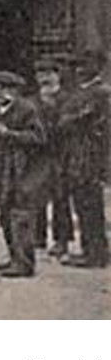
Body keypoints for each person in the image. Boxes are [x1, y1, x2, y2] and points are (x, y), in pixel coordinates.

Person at [0, 69, 50, 278]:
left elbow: (38, 138)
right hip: (1, 170)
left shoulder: (27, 109)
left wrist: (9, 134)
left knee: (21, 215)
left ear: (11, 90)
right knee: (5, 214)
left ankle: (24, 263)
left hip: (23, 170)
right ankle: (13, 257)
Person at [57, 49, 108, 269]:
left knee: (89, 205)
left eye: (86, 64)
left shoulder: (102, 93)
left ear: (99, 66)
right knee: (82, 204)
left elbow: (87, 121)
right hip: (75, 154)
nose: (80, 69)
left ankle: (94, 254)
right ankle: (93, 249)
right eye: (79, 65)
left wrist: (71, 120)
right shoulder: (80, 92)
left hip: (90, 155)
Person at [32, 59, 72, 259]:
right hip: (38, 155)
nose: (44, 78)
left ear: (58, 75)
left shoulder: (67, 99)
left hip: (59, 154)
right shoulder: (32, 101)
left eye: (49, 73)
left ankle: (61, 240)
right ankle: (37, 236)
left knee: (60, 199)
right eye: (40, 73)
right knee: (37, 196)